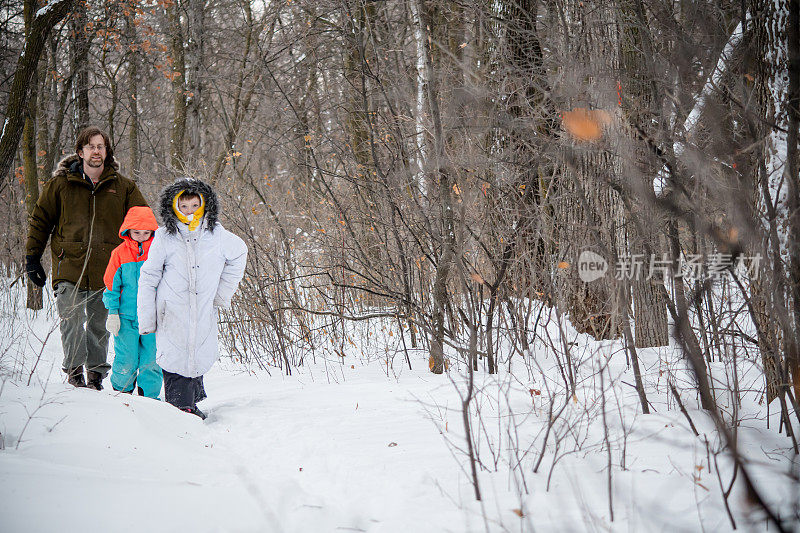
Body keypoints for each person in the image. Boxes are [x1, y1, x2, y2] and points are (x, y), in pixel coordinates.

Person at [25, 126, 148, 389]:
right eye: (90, 146)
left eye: (100, 146)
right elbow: (40, 221)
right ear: (80, 152)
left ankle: (95, 374)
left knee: (99, 326)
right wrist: (32, 258)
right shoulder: (60, 185)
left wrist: (145, 261)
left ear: (107, 151)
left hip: (108, 269)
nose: (96, 151)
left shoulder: (123, 187)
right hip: (68, 263)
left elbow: (144, 223)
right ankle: (74, 373)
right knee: (71, 321)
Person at [137, 178, 247, 419]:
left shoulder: (216, 234)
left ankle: (192, 402)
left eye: (195, 205)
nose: (189, 211)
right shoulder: (165, 236)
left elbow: (239, 253)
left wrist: (221, 293)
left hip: (203, 309)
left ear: (205, 205)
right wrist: (147, 318)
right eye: (183, 206)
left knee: (197, 353)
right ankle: (181, 410)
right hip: (171, 310)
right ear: (173, 207)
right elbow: (148, 277)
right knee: (175, 357)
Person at [102, 206, 161, 397]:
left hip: (153, 318)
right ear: (128, 230)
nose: (141, 236)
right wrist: (112, 312)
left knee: (151, 360)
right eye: (136, 232)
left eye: (146, 233)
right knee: (127, 358)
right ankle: (122, 392)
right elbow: (111, 285)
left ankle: (149, 397)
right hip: (125, 317)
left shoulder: (159, 252)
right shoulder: (119, 254)